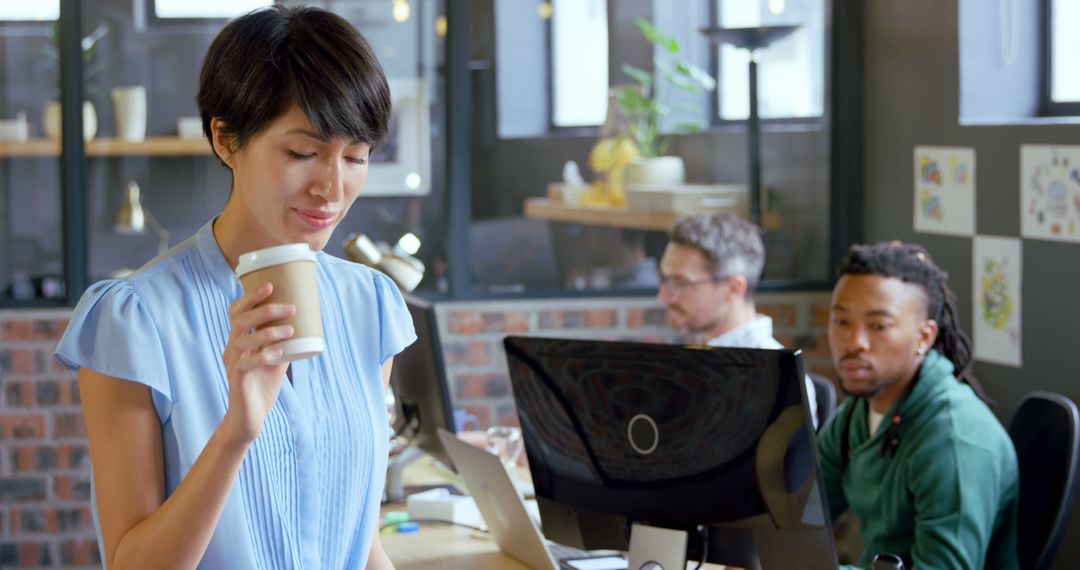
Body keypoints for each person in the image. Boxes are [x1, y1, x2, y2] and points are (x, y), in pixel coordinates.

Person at [54, 6, 414, 569]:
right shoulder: (134, 321)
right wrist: (237, 432)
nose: (333, 188)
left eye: (357, 157)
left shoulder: (370, 307)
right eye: (303, 153)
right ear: (225, 139)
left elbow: (360, 540)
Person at [818, 242, 1018, 569]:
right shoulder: (856, 413)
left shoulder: (953, 441)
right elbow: (797, 516)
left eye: (878, 326)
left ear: (924, 337)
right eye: (841, 322)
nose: (854, 342)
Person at [657, 212, 818, 425]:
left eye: (681, 283)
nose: (664, 296)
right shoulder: (684, 359)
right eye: (665, 280)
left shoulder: (779, 382)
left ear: (733, 288)